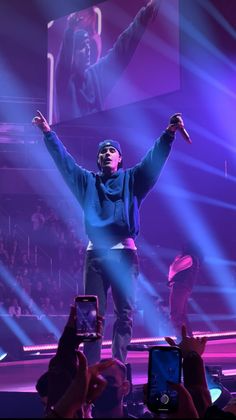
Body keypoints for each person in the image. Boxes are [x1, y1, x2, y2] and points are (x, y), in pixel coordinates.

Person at [32, 109, 188, 365]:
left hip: (124, 255)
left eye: (111, 151)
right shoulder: (87, 182)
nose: (106, 154)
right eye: (102, 151)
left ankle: (116, 366)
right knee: (90, 316)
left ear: (120, 158)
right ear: (98, 160)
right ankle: (91, 369)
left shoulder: (132, 180)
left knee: (125, 314)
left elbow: (153, 162)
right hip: (96, 255)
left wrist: (168, 134)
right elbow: (65, 164)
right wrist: (48, 134)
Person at [55, 0, 161, 122]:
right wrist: (70, 30)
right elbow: (63, 61)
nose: (88, 49)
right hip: (71, 136)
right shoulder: (65, 80)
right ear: (72, 53)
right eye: (83, 46)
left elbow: (122, 47)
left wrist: (145, 13)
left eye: (88, 44)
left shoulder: (95, 74)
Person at [167, 242, 203, 341]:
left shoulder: (189, 258)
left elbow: (173, 268)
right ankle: (188, 339)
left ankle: (181, 339)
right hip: (183, 287)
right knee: (181, 314)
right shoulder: (193, 258)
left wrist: (177, 259)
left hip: (180, 286)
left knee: (175, 314)